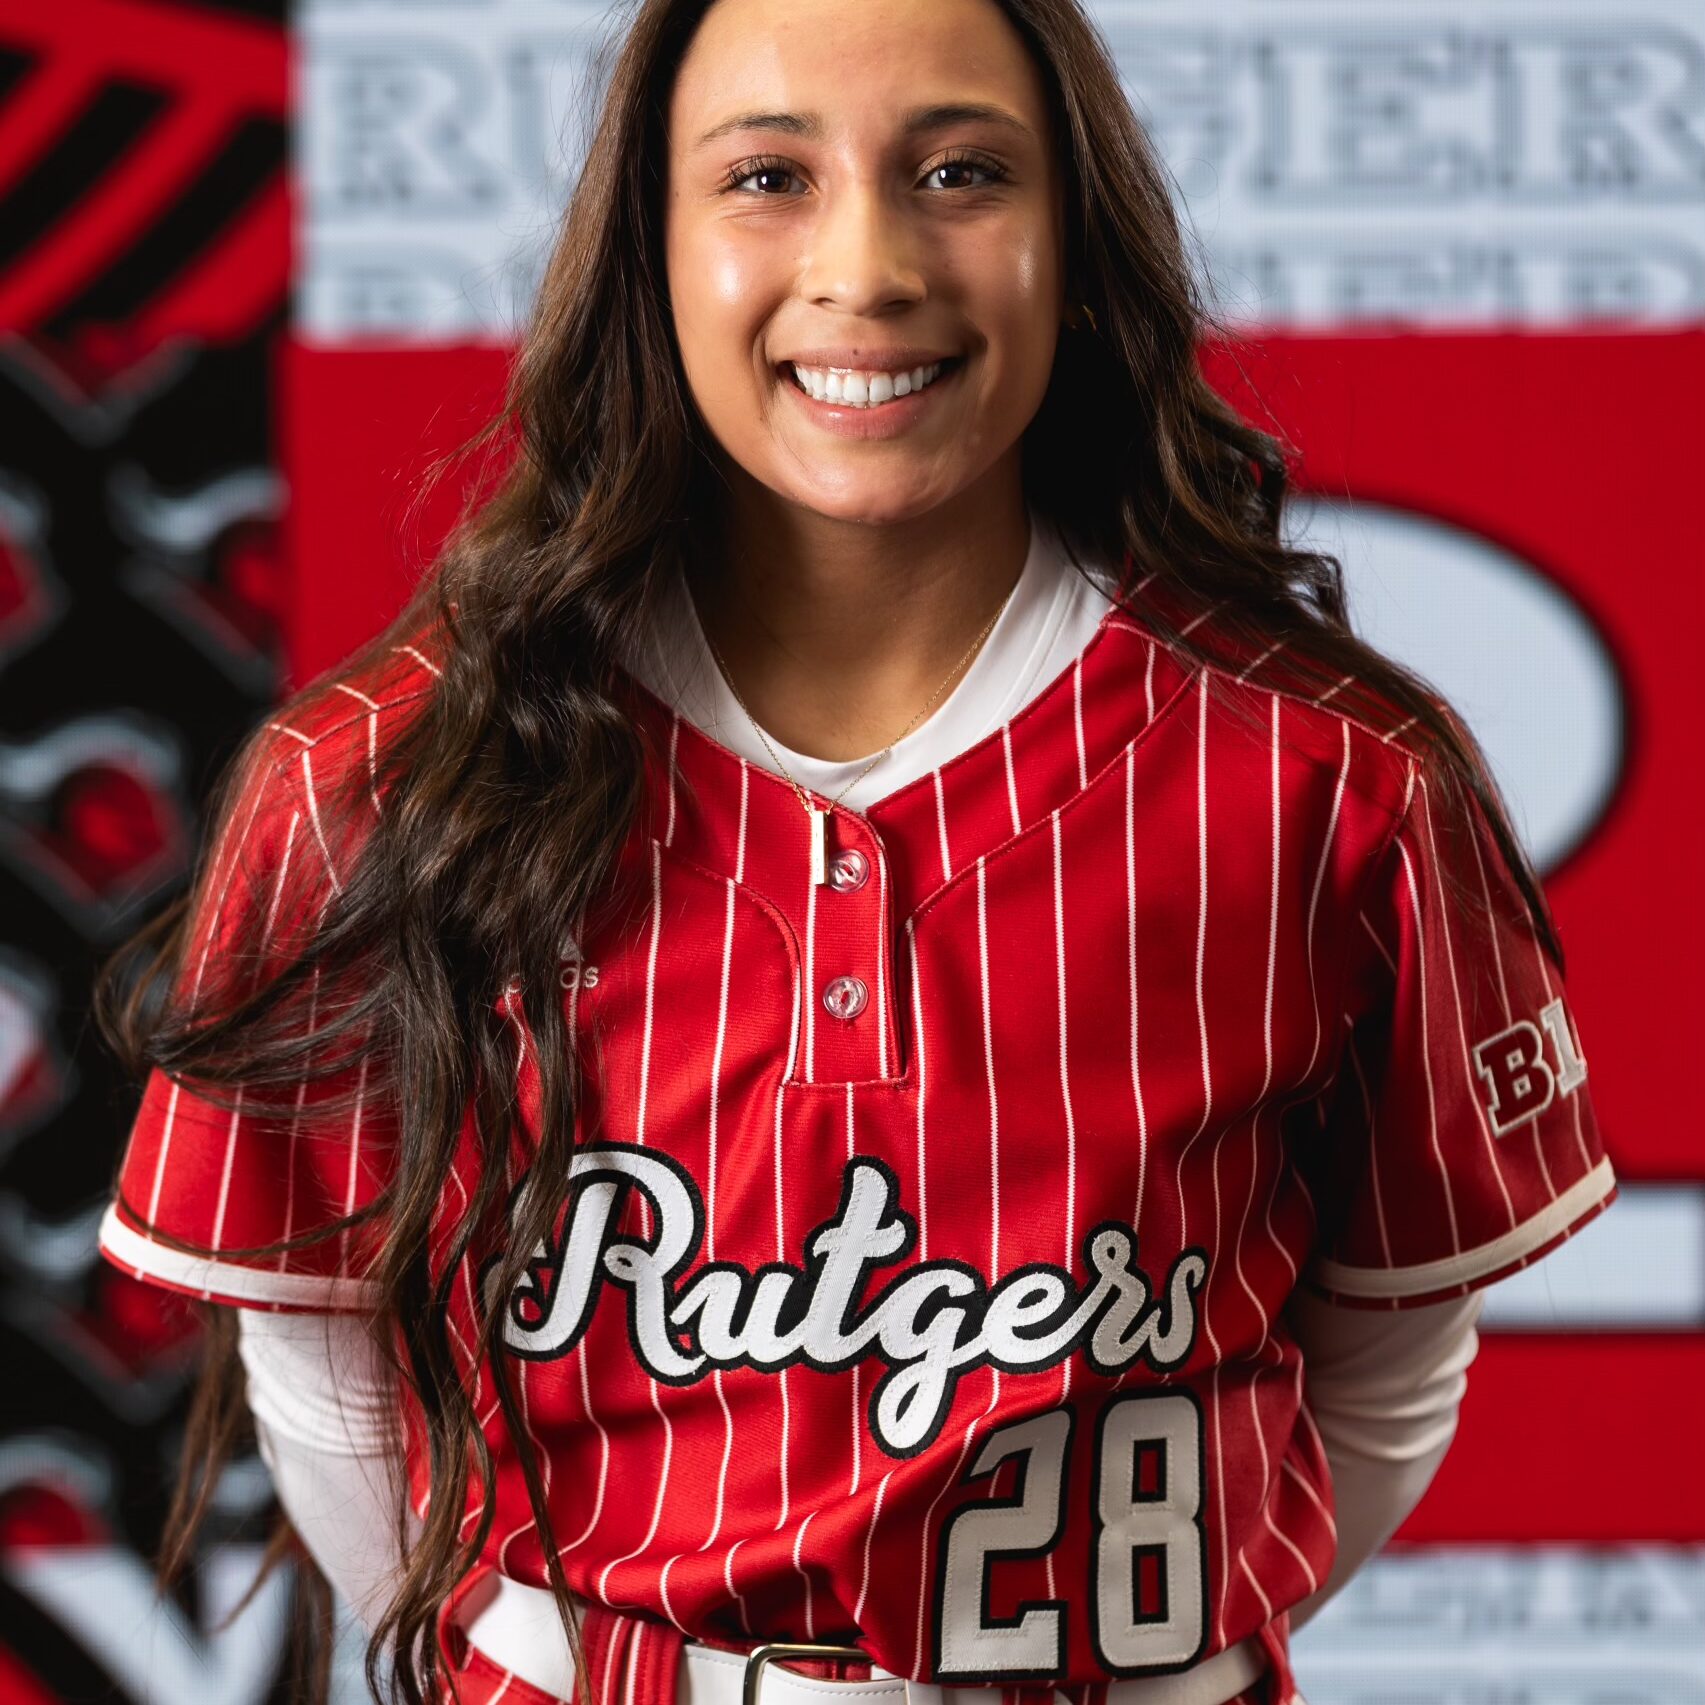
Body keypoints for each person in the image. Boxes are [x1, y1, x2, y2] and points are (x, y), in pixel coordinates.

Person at [92, 1, 1615, 1702]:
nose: (869, 264)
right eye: (766, 177)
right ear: (645, 261)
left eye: (960, 169)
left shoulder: (1339, 777)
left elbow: (1385, 1373)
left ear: (1078, 243)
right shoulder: (372, 783)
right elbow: (327, 1389)